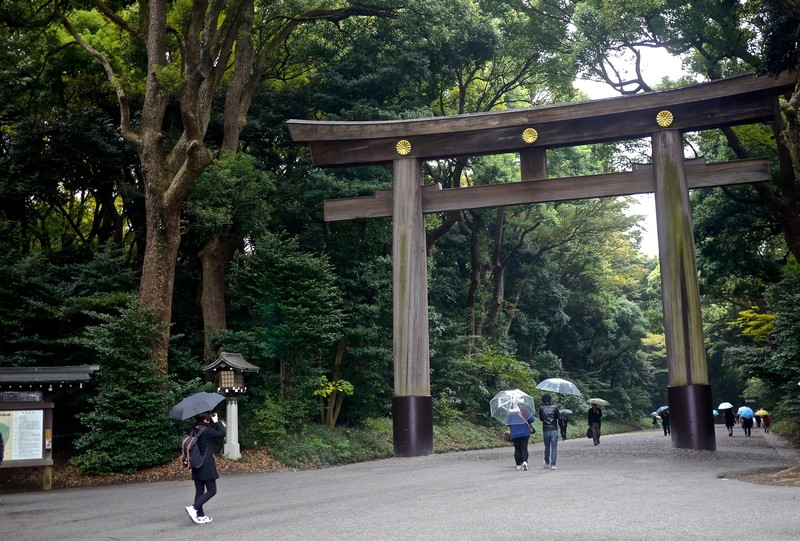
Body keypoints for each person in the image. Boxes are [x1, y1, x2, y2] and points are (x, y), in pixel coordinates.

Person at [185, 411, 226, 524]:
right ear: (206, 419)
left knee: (199, 490)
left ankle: (200, 515)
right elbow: (222, 433)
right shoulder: (207, 431)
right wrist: (216, 421)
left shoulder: (193, 429)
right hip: (206, 465)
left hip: (196, 463)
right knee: (212, 490)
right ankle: (194, 508)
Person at [506, 402, 535, 471]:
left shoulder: (511, 413)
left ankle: (518, 465)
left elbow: (507, 423)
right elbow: (532, 419)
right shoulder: (525, 411)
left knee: (517, 449)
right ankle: (524, 462)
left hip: (515, 433)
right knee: (524, 448)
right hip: (525, 433)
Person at [539, 394, 559, 469]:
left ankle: (547, 461)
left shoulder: (541, 408)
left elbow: (541, 418)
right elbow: (558, 417)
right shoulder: (555, 407)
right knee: (554, 447)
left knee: (547, 447)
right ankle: (553, 464)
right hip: (554, 428)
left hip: (546, 429)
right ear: (550, 399)